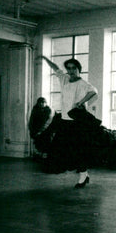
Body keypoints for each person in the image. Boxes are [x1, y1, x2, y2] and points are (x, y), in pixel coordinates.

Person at [35, 56, 99, 187]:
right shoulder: (64, 79)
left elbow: (94, 92)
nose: (71, 71)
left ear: (78, 69)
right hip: (64, 121)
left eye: (73, 68)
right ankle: (84, 174)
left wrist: (81, 102)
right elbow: (55, 67)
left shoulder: (83, 84)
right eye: (68, 68)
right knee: (63, 150)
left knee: (78, 149)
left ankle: (82, 176)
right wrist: (44, 58)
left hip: (76, 122)